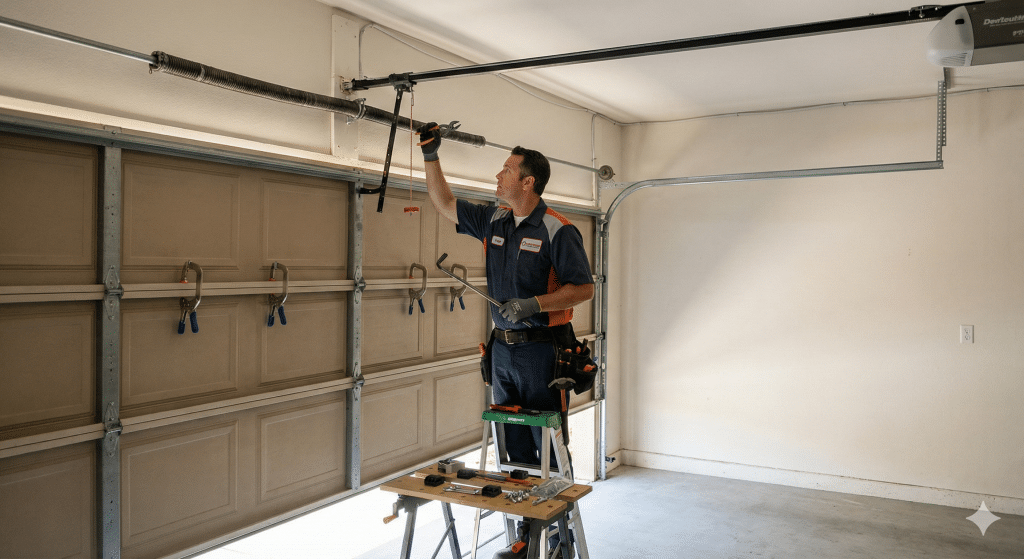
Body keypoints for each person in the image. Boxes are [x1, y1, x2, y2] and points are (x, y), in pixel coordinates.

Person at [418, 122, 592, 557]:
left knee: (545, 448)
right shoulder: (493, 218)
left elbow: (583, 288)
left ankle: (556, 540)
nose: (498, 176)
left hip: (543, 351)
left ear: (527, 181)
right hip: (502, 349)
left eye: (506, 170)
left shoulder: (558, 229)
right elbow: (444, 203)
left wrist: (534, 304)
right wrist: (430, 155)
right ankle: (521, 536)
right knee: (510, 444)